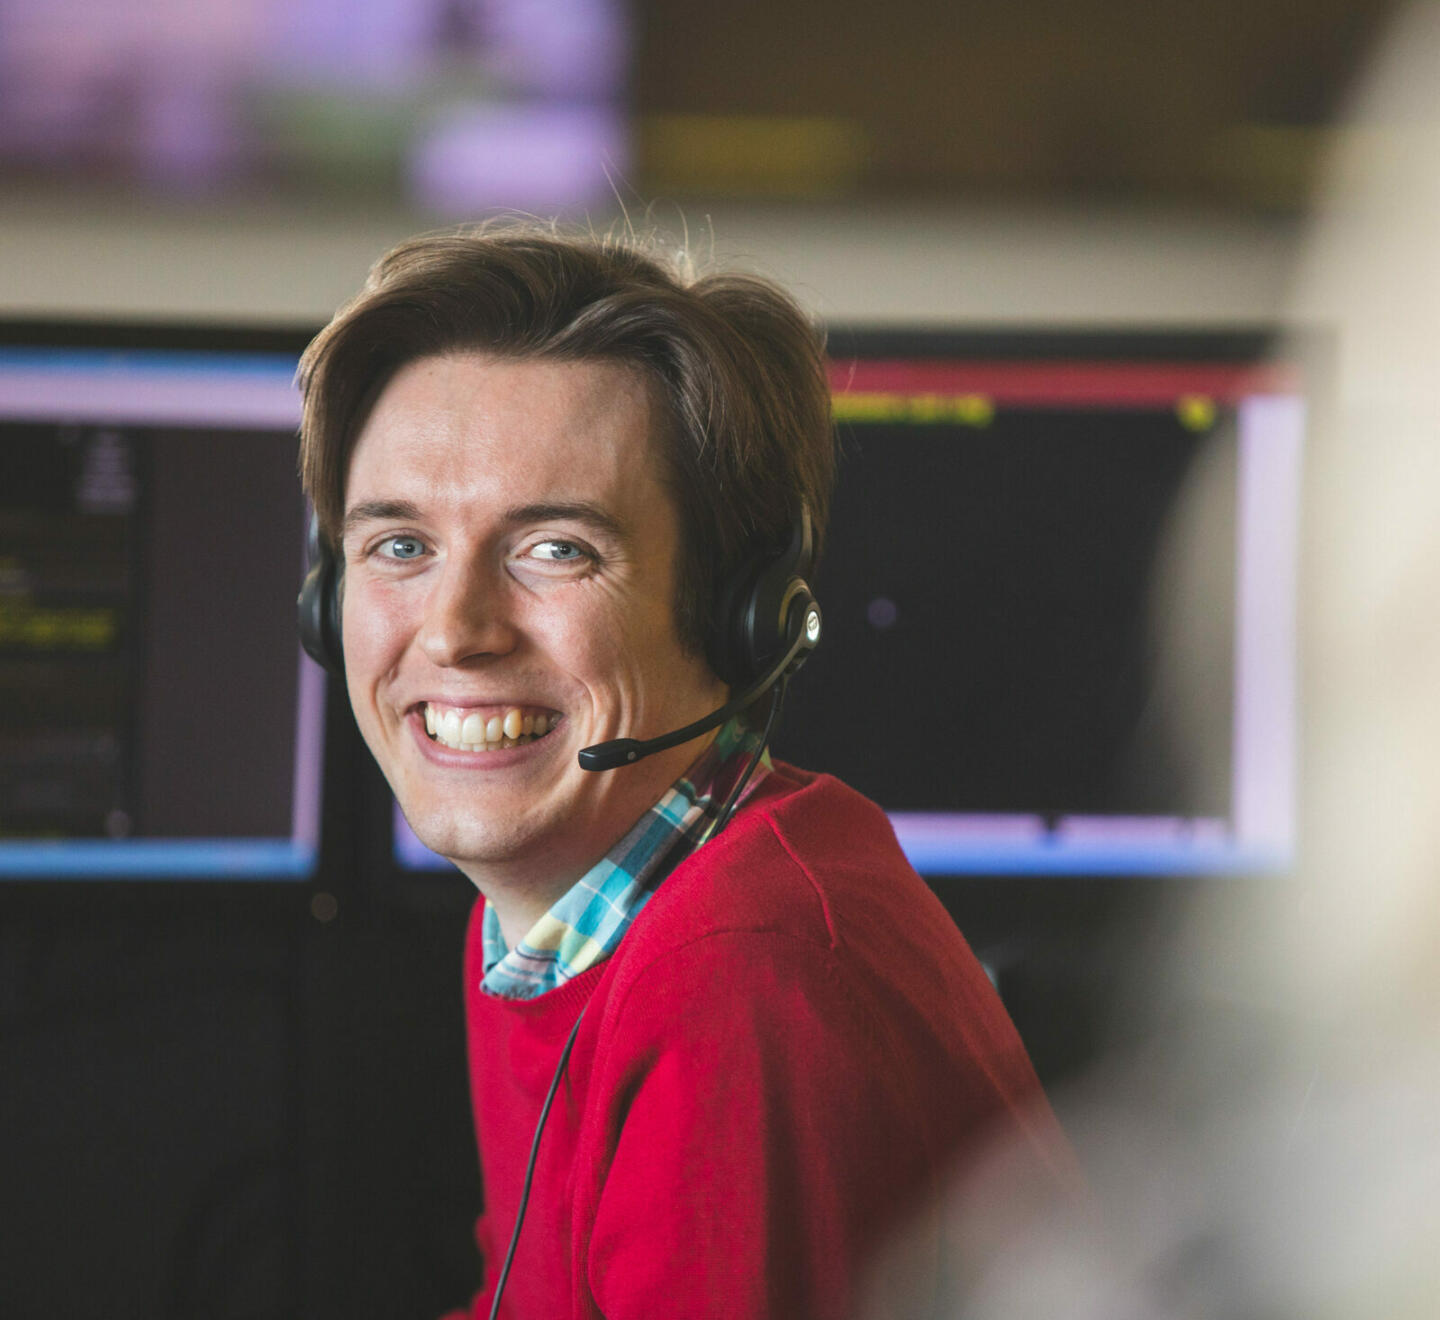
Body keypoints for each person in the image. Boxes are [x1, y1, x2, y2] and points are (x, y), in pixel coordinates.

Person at [296, 223, 1072, 1319]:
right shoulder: (548, 915)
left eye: (554, 548)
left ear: (735, 617)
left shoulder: (742, 981)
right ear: (329, 604)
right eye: (400, 545)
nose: (456, 631)